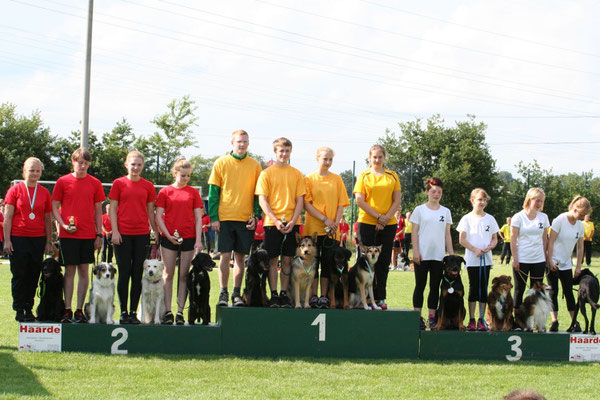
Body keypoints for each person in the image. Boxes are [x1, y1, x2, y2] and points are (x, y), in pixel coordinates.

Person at [208, 129, 262, 307]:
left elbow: (258, 194)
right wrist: (214, 217)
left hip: (245, 219)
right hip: (224, 218)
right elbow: (213, 193)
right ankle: (223, 293)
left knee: (240, 259)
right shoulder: (221, 163)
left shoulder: (255, 165)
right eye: (239, 141)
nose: (242, 144)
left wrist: (256, 215)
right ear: (232, 143)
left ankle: (236, 294)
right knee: (224, 256)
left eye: (245, 141)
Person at [52, 148, 105, 323]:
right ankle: (67, 309)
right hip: (68, 235)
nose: (82, 166)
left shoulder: (95, 183)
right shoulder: (62, 181)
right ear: (73, 162)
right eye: (79, 162)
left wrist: (99, 234)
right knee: (69, 271)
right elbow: (54, 207)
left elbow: (98, 211)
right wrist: (63, 224)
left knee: (84, 271)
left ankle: (79, 310)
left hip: (88, 234)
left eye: (86, 163)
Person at [256, 137, 306, 308]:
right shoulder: (266, 173)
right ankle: (274, 294)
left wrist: (293, 221)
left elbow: (300, 201)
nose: (284, 154)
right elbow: (263, 200)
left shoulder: (297, 174)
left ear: (290, 152)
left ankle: (284, 294)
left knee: (287, 260)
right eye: (281, 151)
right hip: (272, 224)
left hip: (293, 223)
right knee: (271, 260)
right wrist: (275, 220)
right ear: (275, 152)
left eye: (287, 151)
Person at [109, 151, 157, 325]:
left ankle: (132, 312)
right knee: (124, 273)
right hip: (122, 235)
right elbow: (112, 209)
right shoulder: (118, 183)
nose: (135, 167)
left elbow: (151, 211)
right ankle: (122, 312)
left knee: (137, 274)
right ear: (126, 165)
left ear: (143, 166)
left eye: (139, 165)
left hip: (142, 235)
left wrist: (155, 231)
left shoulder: (148, 186)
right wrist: (115, 231)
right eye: (133, 164)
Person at [3, 157, 54, 321]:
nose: (35, 173)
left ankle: (29, 308)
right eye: (31, 170)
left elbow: (48, 219)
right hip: (18, 238)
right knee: (19, 275)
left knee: (33, 275)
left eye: (38, 170)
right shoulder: (15, 190)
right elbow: (8, 217)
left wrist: (48, 240)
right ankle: (19, 309)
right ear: (24, 171)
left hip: (38, 239)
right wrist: (7, 240)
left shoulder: (44, 192)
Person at [155, 158, 204, 325]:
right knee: (168, 275)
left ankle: (180, 311)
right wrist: (167, 235)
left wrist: (198, 240)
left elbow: (199, 218)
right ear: (175, 173)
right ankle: (167, 311)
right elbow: (158, 216)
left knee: (184, 275)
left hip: (189, 237)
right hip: (169, 237)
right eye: (183, 175)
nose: (185, 178)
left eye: (188, 176)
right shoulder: (165, 192)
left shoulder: (193, 193)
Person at [353, 144, 402, 310]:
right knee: (365, 261)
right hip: (367, 222)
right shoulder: (364, 175)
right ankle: (364, 297)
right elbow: (359, 200)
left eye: (380, 156)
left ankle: (380, 297)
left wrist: (386, 218)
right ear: (369, 157)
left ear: (384, 157)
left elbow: (397, 200)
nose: (377, 159)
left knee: (383, 261)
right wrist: (379, 217)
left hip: (389, 224)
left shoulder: (392, 176)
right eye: (374, 156)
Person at [303, 147, 349, 308]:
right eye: (325, 159)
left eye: (330, 159)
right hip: (312, 230)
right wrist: (325, 219)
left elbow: (341, 203)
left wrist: (335, 223)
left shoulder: (337, 179)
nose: (328, 162)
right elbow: (306, 204)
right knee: (313, 265)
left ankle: (324, 297)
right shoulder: (308, 179)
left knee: (328, 266)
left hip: (332, 232)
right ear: (317, 159)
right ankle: (313, 296)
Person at [410, 177, 454, 329]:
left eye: (439, 192)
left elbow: (447, 234)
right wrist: (415, 251)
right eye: (433, 191)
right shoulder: (419, 210)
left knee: (435, 287)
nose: (436, 194)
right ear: (427, 192)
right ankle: (417, 317)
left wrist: (452, 256)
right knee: (420, 286)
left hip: (439, 257)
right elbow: (414, 233)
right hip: (422, 255)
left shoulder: (446, 211)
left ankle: (432, 317)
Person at [546, 196, 591, 332]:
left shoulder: (579, 225)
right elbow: (551, 241)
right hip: (553, 261)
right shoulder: (559, 220)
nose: (582, 217)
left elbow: (580, 247)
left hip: (566, 264)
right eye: (581, 214)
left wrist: (578, 266)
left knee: (569, 292)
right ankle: (554, 321)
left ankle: (574, 322)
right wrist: (550, 261)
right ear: (574, 208)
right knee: (553, 292)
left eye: (584, 215)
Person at [457, 188, 499, 331]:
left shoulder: (490, 219)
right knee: (473, 288)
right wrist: (474, 249)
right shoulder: (466, 218)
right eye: (480, 199)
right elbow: (461, 239)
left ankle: (482, 319)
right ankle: (472, 319)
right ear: (472, 200)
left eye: (485, 200)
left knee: (483, 288)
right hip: (472, 260)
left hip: (486, 261)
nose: (482, 202)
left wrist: (490, 246)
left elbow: (494, 239)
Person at [510, 187, 550, 308]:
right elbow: (512, 239)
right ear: (529, 199)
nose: (539, 204)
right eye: (537, 200)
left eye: (542, 201)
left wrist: (546, 258)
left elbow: (545, 239)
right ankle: (517, 322)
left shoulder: (543, 217)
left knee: (536, 292)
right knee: (519, 290)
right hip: (522, 259)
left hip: (538, 259)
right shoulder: (518, 217)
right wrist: (515, 259)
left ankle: (532, 320)